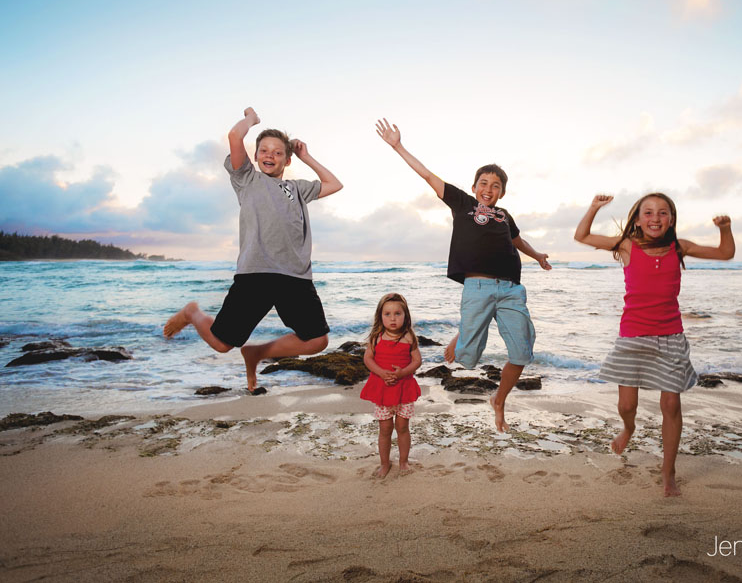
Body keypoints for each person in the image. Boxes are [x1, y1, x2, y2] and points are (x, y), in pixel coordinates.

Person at [376, 118, 551, 433]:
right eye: (484, 183)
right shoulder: (462, 203)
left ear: (502, 193)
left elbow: (517, 241)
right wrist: (398, 146)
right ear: (474, 187)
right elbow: (428, 175)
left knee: (523, 352)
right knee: (466, 358)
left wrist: (537, 255)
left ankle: (499, 400)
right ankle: (467, 330)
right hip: (478, 287)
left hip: (511, 289)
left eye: (496, 186)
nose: (489, 188)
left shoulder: (504, 215)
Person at [163, 107, 343, 394]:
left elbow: (335, 184)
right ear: (256, 155)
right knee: (222, 344)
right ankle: (193, 313)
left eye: (277, 152)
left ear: (287, 158)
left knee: (317, 341)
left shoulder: (296, 188)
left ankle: (257, 352)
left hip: (295, 277)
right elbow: (235, 136)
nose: (270, 156)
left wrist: (306, 156)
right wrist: (251, 120)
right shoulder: (246, 179)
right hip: (255, 274)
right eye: (264, 151)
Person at [574, 192, 734, 497]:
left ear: (671, 219)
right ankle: (629, 428)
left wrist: (724, 229)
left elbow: (725, 253)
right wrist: (594, 207)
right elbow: (581, 236)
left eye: (662, 213)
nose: (655, 218)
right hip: (632, 336)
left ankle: (668, 471)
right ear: (637, 219)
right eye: (648, 213)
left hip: (671, 335)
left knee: (671, 404)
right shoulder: (626, 246)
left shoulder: (680, 247)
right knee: (626, 405)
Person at [360, 293, 423, 478]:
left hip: (404, 389)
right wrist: (381, 373)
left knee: (403, 427)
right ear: (380, 316)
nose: (393, 318)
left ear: (406, 316)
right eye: (387, 314)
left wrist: (402, 372)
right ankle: (385, 463)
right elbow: (368, 358)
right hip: (382, 389)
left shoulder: (409, 336)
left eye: (397, 313)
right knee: (385, 429)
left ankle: (403, 461)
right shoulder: (376, 337)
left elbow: (417, 360)